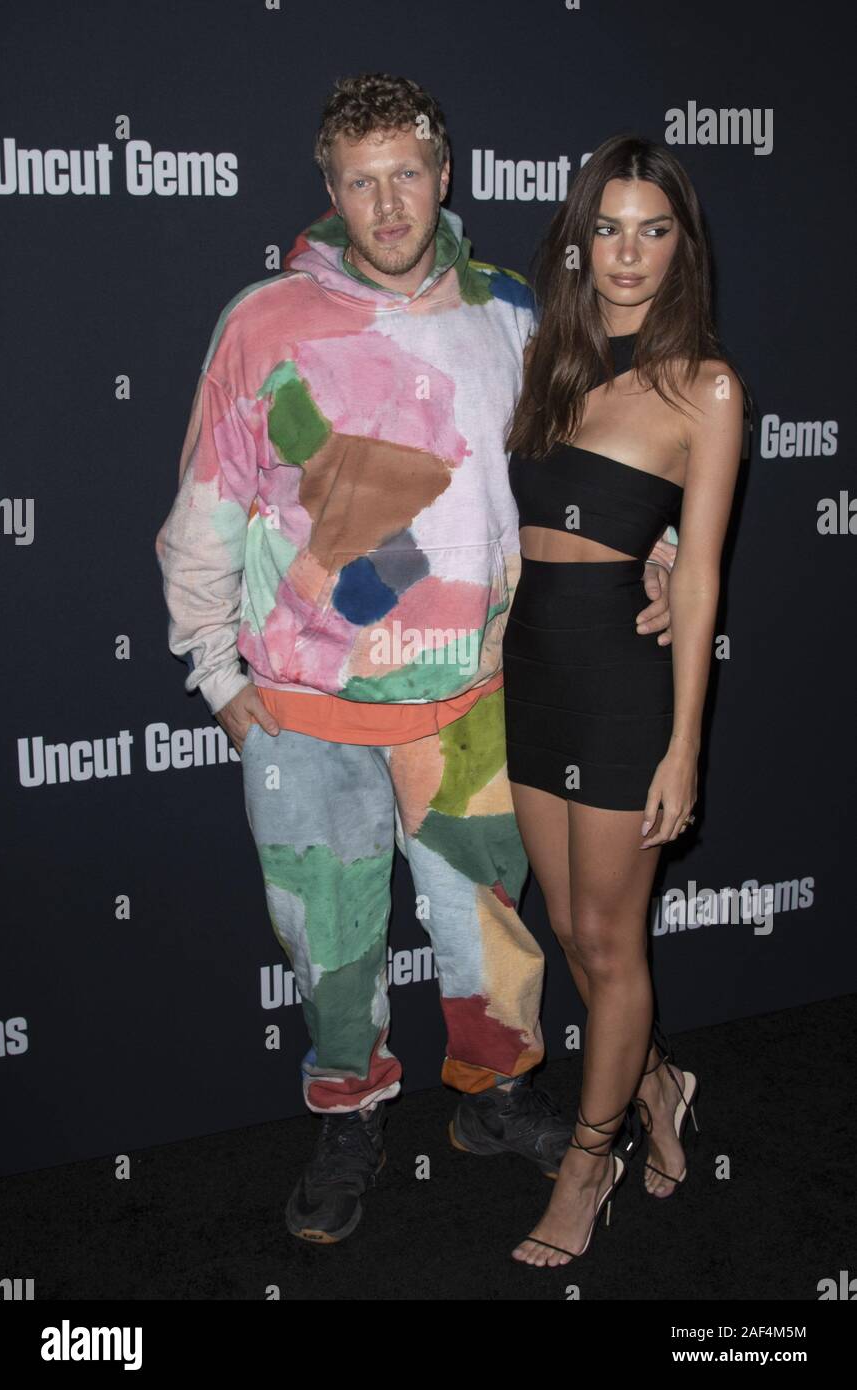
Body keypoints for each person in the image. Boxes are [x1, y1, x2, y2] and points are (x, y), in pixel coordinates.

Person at [154, 74, 677, 1247]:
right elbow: (203, 508)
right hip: (301, 711)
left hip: (477, 707)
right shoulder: (262, 321)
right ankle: (349, 1111)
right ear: (329, 190)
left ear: (445, 174)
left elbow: (603, 460)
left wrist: (665, 553)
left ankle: (491, 1097)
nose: (387, 205)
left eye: (406, 174)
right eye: (359, 181)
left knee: (489, 928)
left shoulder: (512, 314)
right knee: (328, 938)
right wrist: (222, 684)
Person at [502, 133, 749, 1268]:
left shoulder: (702, 386)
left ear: (679, 247)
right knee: (568, 932)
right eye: (608, 227)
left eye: (654, 229)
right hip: (533, 669)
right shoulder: (548, 362)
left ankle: (585, 1162)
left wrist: (683, 744)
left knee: (610, 940)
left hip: (617, 683)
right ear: (578, 238)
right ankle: (660, 1084)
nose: (628, 252)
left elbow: (694, 573)